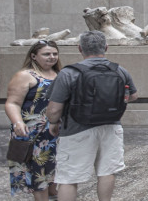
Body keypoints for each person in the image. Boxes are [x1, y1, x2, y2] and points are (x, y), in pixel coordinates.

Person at [46, 31, 138, 201]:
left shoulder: (68, 73)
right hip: (111, 127)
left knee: (68, 178)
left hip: (76, 130)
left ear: (80, 48)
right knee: (106, 172)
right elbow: (133, 96)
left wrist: (53, 123)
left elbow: (53, 109)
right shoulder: (119, 70)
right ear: (106, 47)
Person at [5, 40, 61, 200]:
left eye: (54, 54)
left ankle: (53, 196)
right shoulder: (25, 75)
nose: (51, 57)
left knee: (53, 171)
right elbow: (12, 102)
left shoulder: (60, 74)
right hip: (31, 133)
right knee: (38, 175)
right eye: (46, 54)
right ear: (34, 56)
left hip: (55, 133)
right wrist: (17, 122)